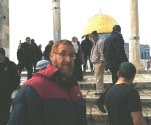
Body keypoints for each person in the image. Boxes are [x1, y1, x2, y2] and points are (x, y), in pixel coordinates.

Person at [8, 40, 87, 125]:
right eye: (63, 54)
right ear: (51, 56)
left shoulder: (74, 88)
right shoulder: (32, 88)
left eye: (72, 55)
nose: (68, 60)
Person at [0, 47, 20, 125]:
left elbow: (17, 78)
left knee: (5, 112)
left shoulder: (11, 65)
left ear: (3, 55)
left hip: (6, 93)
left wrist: (10, 89)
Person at [90, 31, 105, 95]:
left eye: (92, 36)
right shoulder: (95, 43)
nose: (92, 38)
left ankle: (100, 90)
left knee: (99, 77)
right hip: (96, 63)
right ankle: (99, 89)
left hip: (99, 62)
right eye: (91, 37)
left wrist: (101, 62)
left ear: (96, 36)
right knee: (98, 76)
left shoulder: (100, 42)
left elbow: (102, 53)